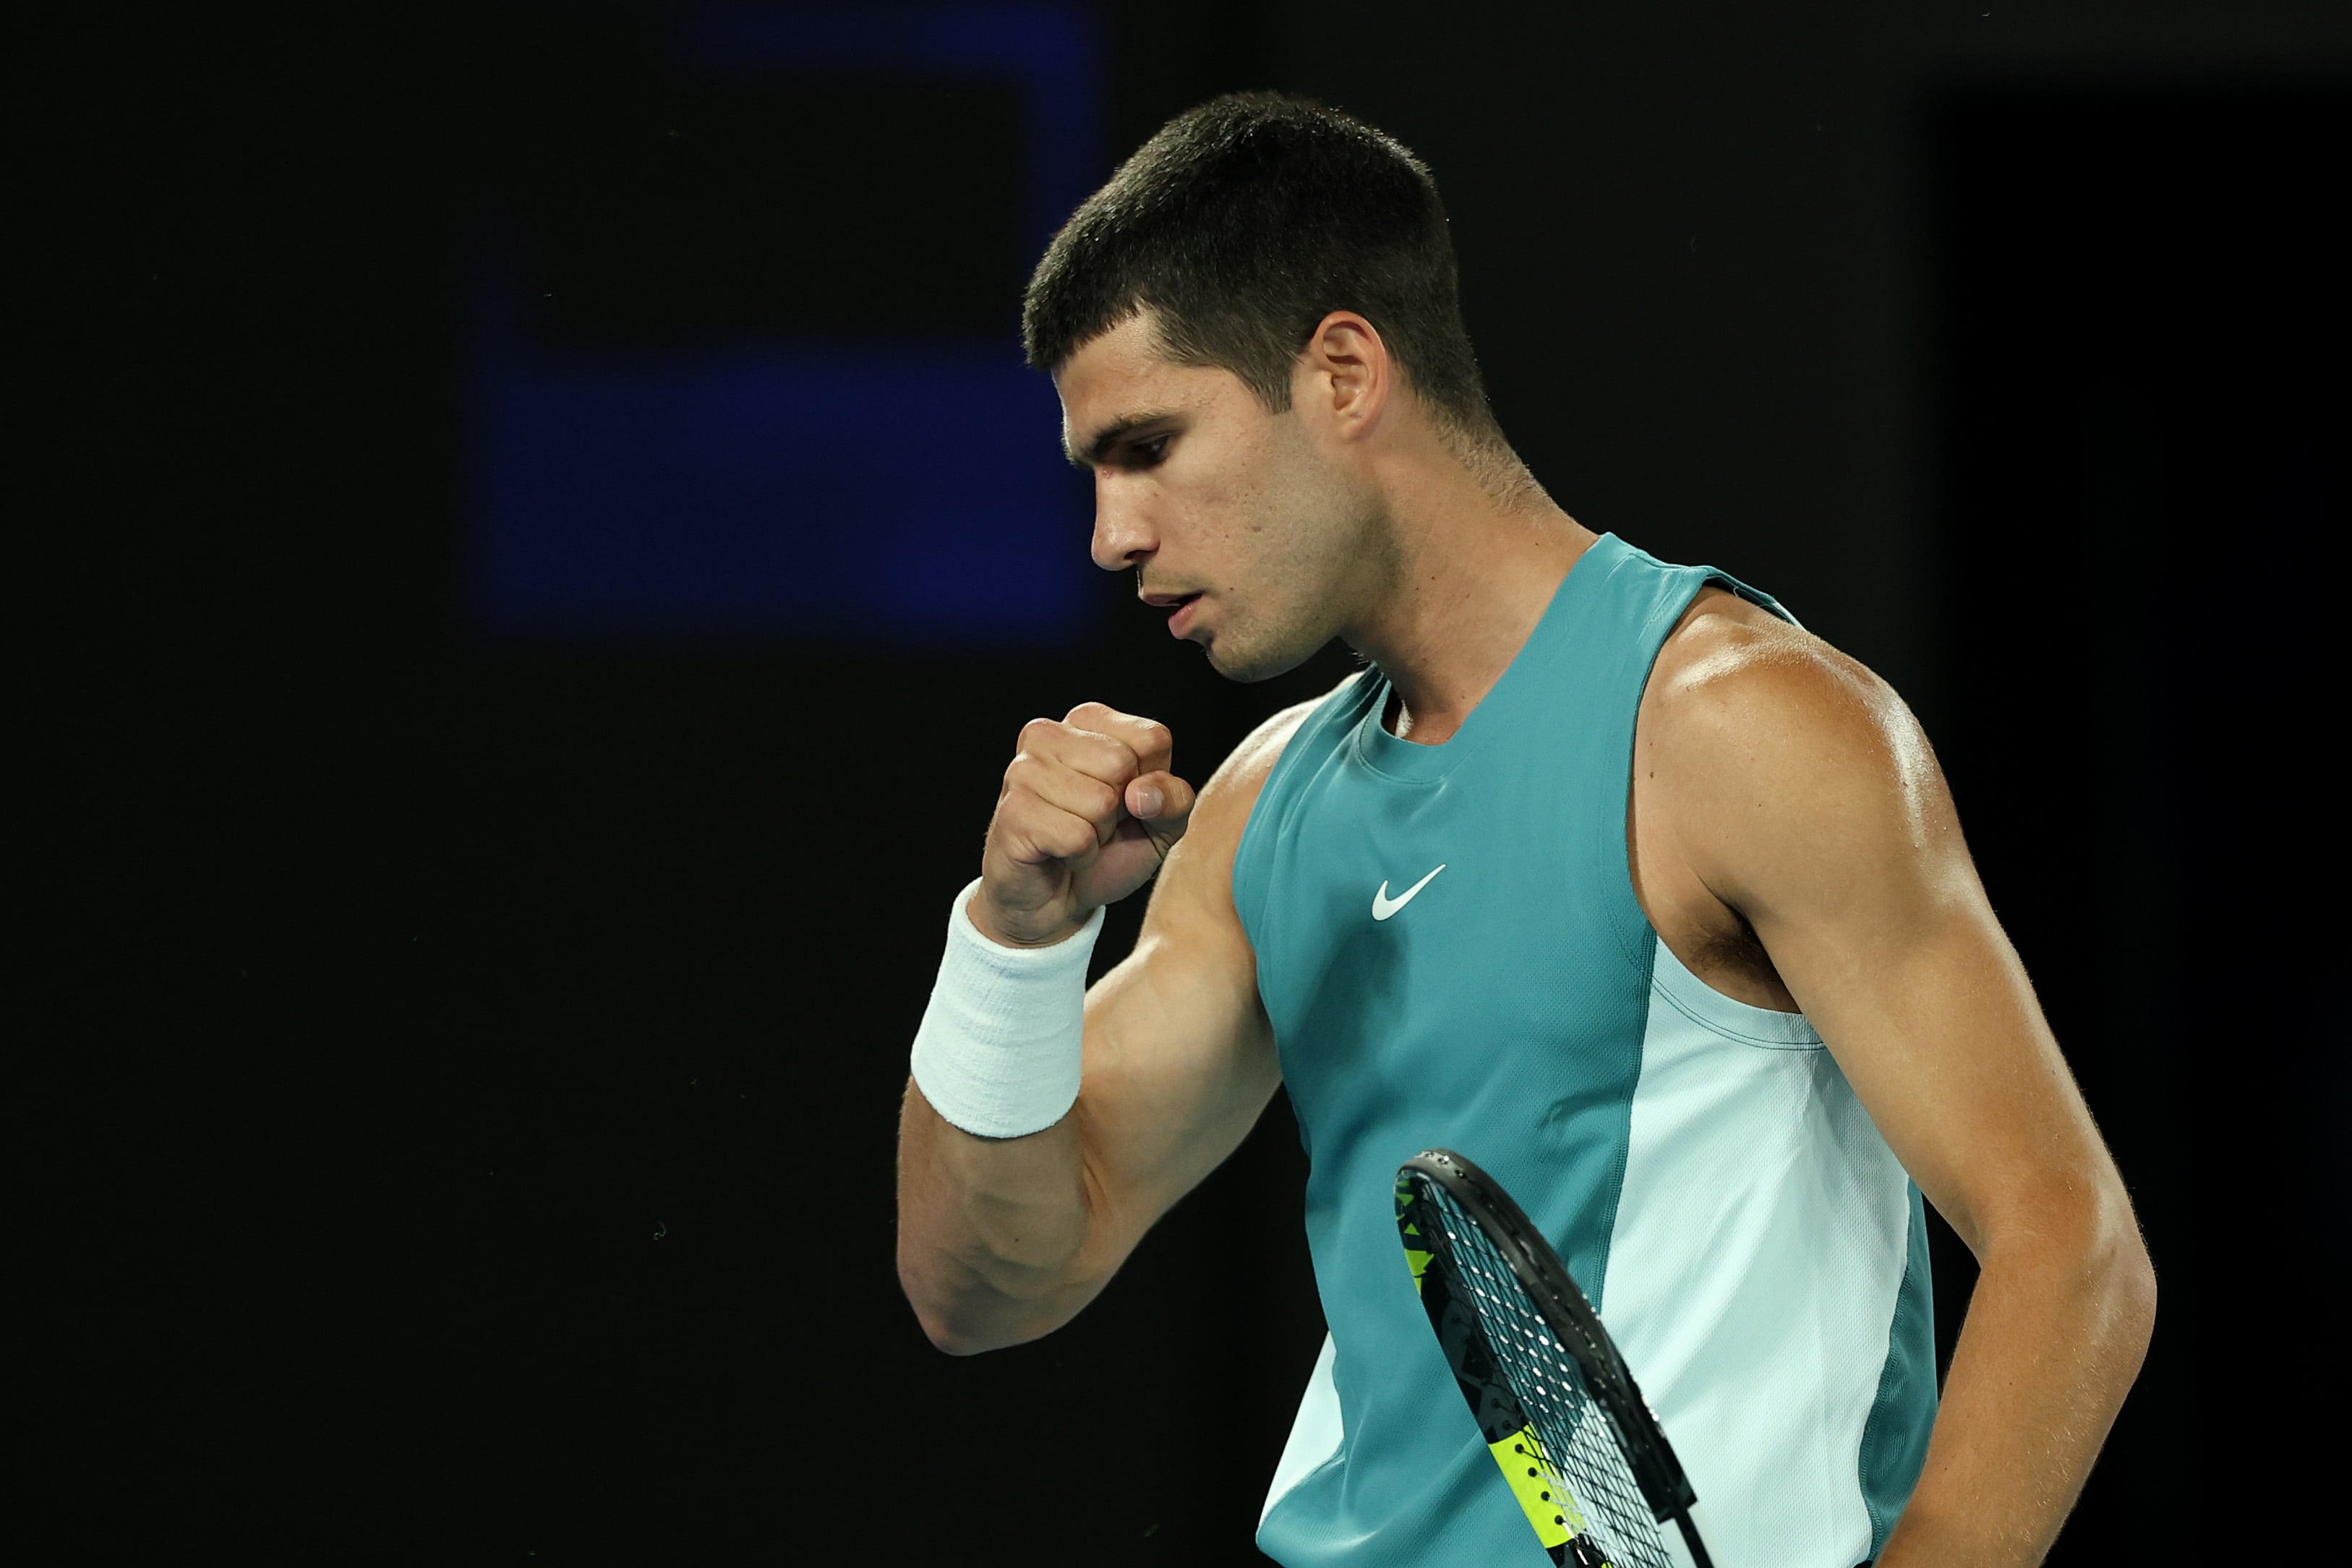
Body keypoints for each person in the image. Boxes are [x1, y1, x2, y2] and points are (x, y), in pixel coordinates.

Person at [894, 93, 2153, 1567]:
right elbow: (982, 1285)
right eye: (1095, 474)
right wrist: (1016, 946)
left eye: (1148, 445)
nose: (1111, 531)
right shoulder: (1260, 806)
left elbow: (2068, 1244)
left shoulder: (1735, 725)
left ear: (1344, 371)